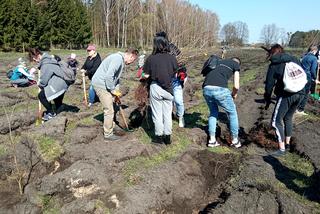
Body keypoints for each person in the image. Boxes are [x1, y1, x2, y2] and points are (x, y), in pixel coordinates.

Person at [263, 44, 305, 156]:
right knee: (288, 117)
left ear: (272, 53)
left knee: (276, 121)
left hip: (287, 94)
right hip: (300, 93)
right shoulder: (294, 58)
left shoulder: (274, 65)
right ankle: (287, 144)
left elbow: (269, 85)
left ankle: (281, 149)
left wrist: (267, 99)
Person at [92, 48, 138, 141]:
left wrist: (116, 93)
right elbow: (109, 76)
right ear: (131, 56)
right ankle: (108, 134)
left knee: (111, 106)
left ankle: (111, 125)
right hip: (100, 84)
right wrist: (112, 90)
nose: (131, 63)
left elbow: (115, 79)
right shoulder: (117, 59)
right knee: (109, 109)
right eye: (133, 60)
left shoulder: (120, 60)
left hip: (104, 84)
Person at [143, 36, 178, 145]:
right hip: (169, 89)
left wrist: (143, 75)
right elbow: (175, 74)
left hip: (156, 88)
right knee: (167, 114)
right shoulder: (172, 58)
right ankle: (167, 138)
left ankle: (158, 137)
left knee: (157, 114)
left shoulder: (151, 58)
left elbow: (146, 75)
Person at [202, 56, 241, 148]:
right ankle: (235, 140)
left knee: (213, 112)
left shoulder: (219, 61)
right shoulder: (236, 64)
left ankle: (212, 140)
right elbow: (236, 86)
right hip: (220, 89)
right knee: (232, 113)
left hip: (206, 88)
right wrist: (234, 94)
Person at [28, 48, 69, 121]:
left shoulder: (46, 63)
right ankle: (59, 111)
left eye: (34, 59)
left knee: (41, 96)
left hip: (59, 84)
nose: (35, 61)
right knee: (57, 98)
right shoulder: (49, 59)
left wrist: (40, 84)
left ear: (38, 55)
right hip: (63, 83)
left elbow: (44, 79)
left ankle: (51, 113)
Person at [155, 31, 186, 128]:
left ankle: (180, 117)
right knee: (169, 99)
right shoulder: (157, 51)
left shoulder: (172, 48)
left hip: (176, 79)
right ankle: (169, 117)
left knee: (178, 100)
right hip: (164, 79)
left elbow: (181, 62)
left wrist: (180, 73)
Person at [296, 45, 318, 115]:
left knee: (300, 92)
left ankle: (294, 107)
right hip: (307, 77)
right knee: (305, 94)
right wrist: (315, 78)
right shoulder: (314, 58)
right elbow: (313, 70)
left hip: (300, 75)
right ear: (314, 51)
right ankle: (300, 110)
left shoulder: (304, 56)